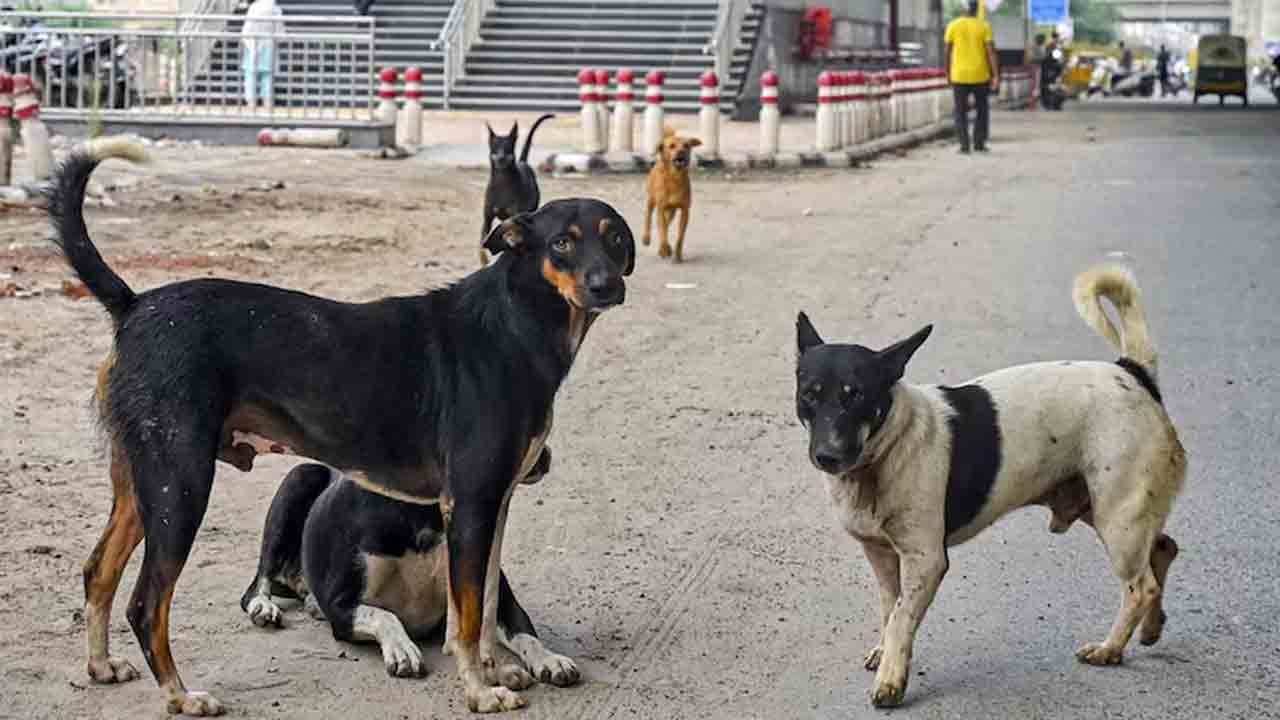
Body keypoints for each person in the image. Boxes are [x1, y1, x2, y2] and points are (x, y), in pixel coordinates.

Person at [944, 0, 999, 154]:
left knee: (960, 111)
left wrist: (947, 72)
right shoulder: (984, 26)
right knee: (982, 110)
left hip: (959, 75)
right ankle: (979, 143)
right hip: (980, 75)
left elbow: (947, 52)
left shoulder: (953, 25)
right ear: (976, 10)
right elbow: (991, 53)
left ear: (964, 9)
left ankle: (964, 145)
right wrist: (996, 75)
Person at [240, 0, 284, 108]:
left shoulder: (254, 7)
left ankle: (251, 102)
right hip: (269, 44)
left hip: (253, 44)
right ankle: (267, 101)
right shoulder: (276, 9)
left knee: (251, 74)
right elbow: (280, 30)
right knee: (267, 76)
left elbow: (247, 28)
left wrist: (245, 39)